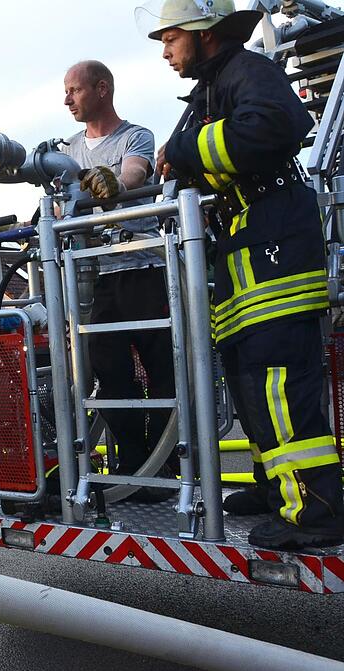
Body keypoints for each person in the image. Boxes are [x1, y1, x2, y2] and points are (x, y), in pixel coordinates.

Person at [141, 0, 343, 548]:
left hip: (272, 253)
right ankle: (275, 486)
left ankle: (315, 509)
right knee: (252, 381)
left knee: (277, 386)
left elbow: (279, 123)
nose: (164, 50)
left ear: (204, 32)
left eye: (171, 37)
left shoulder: (248, 71)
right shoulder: (213, 86)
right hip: (246, 251)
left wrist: (184, 148)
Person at [60, 60, 174, 502]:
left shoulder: (134, 136)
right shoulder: (68, 148)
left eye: (74, 90)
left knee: (162, 368)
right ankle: (132, 466)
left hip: (140, 269)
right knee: (109, 374)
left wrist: (108, 184)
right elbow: (58, 203)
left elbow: (133, 176)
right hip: (95, 276)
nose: (67, 100)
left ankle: (164, 467)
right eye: (66, 92)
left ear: (102, 89)